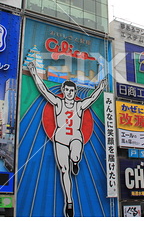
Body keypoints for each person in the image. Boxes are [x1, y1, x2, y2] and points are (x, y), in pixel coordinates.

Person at [27, 61, 107, 217]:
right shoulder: (58, 103)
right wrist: (34, 73)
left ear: (75, 91)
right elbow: (43, 90)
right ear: (63, 90)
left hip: (76, 137)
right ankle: (69, 202)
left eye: (72, 90)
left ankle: (76, 161)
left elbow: (91, 98)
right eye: (67, 90)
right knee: (64, 170)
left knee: (75, 155)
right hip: (61, 139)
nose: (70, 92)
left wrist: (101, 88)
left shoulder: (79, 105)